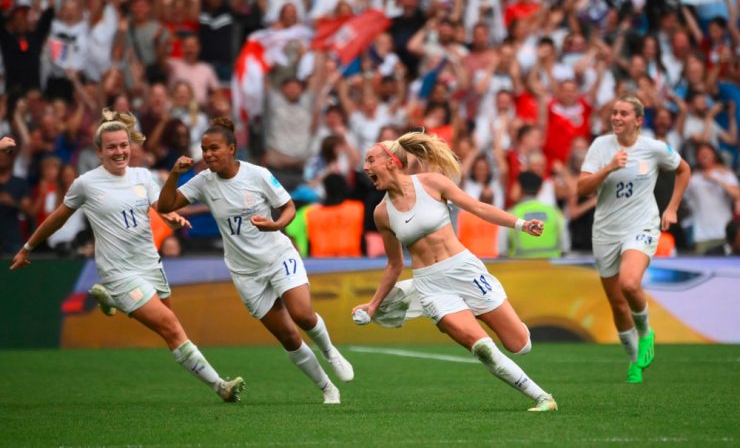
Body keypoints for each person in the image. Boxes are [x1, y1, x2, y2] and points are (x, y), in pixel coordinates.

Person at [9, 111, 245, 403]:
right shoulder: (86, 183)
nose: (119, 152)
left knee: (172, 326)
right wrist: (27, 248)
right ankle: (221, 386)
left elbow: (160, 205)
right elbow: (57, 218)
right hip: (118, 271)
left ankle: (112, 300)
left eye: (123, 145)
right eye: (112, 147)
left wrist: (172, 217)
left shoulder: (142, 176)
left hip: (150, 263)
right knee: (171, 329)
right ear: (99, 151)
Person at [352, 131, 557, 412]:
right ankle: (543, 398)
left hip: (464, 269)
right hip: (431, 286)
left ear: (391, 162)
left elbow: (477, 207)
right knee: (483, 348)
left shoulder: (432, 183)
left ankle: (495, 317)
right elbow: (394, 265)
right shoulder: (381, 214)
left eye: (371, 160)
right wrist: (374, 305)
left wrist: (521, 224)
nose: (365, 167)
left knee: (519, 344)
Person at [157, 117, 354, 404]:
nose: (208, 154)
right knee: (287, 336)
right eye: (204, 149)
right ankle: (327, 388)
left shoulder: (257, 174)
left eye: (214, 148)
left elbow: (287, 208)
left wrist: (276, 225)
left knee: (302, 314)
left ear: (232, 149)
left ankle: (330, 352)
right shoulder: (202, 182)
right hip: (245, 272)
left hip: (277, 256)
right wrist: (174, 174)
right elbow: (165, 206)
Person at [577, 95, 691, 384]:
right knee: (616, 301)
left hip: (641, 226)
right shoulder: (601, 146)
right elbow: (582, 189)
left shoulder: (652, 148)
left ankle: (646, 332)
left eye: (623, 113)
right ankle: (634, 363)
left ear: (638, 120)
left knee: (629, 282)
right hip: (605, 230)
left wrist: (672, 208)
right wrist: (609, 168)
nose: (616, 117)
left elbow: (684, 169)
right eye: (614, 112)